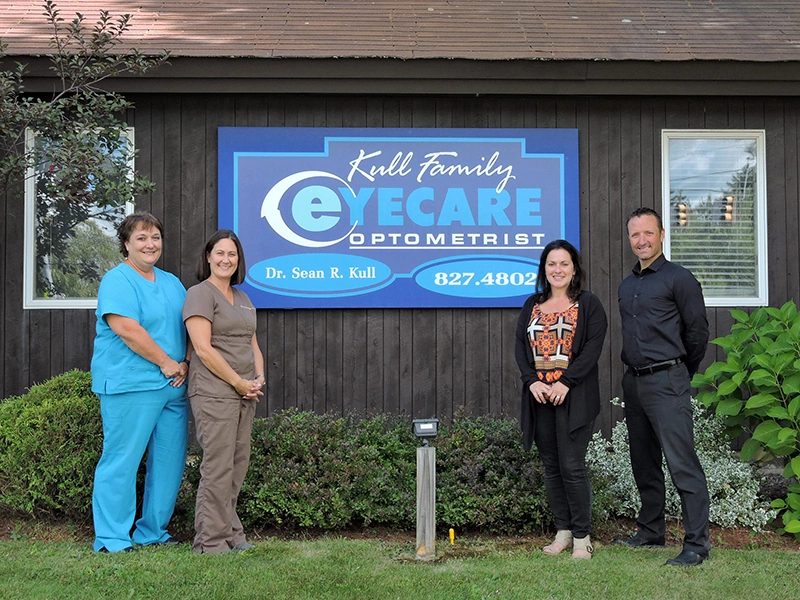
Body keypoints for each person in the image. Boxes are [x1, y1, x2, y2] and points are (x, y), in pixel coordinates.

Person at [90, 212, 189, 553]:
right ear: (126, 244)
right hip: (130, 384)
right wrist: (166, 363)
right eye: (142, 238)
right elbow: (127, 330)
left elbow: (187, 327)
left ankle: (152, 531)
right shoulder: (117, 281)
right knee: (122, 460)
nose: (150, 244)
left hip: (173, 386)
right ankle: (113, 537)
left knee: (169, 461)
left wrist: (185, 362)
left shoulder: (172, 282)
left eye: (155, 237)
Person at [617, 207, 710, 567]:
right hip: (634, 382)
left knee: (681, 463)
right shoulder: (628, 285)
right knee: (644, 461)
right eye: (635, 235)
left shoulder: (680, 279)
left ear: (661, 235)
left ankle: (696, 545)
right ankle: (651, 531)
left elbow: (697, 332)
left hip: (668, 379)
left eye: (648, 233)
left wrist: (681, 372)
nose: (641, 240)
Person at [515, 239, 607, 559]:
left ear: (574, 269)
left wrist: (566, 382)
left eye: (564, 264)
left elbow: (591, 350)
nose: (557, 270)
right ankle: (563, 532)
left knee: (571, 465)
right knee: (552, 467)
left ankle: (582, 538)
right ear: (544, 269)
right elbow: (520, 349)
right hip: (540, 398)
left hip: (573, 397)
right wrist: (531, 382)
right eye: (552, 264)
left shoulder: (589, 305)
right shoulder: (532, 305)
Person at [183, 230, 265, 554]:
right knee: (217, 467)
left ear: (238, 260)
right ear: (208, 257)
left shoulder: (243, 299)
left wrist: (257, 377)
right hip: (214, 392)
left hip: (245, 393)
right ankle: (210, 541)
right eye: (220, 253)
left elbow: (252, 344)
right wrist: (238, 382)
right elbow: (203, 349)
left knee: (237, 464)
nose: (225, 259)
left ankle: (231, 533)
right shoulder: (200, 294)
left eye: (232, 254)